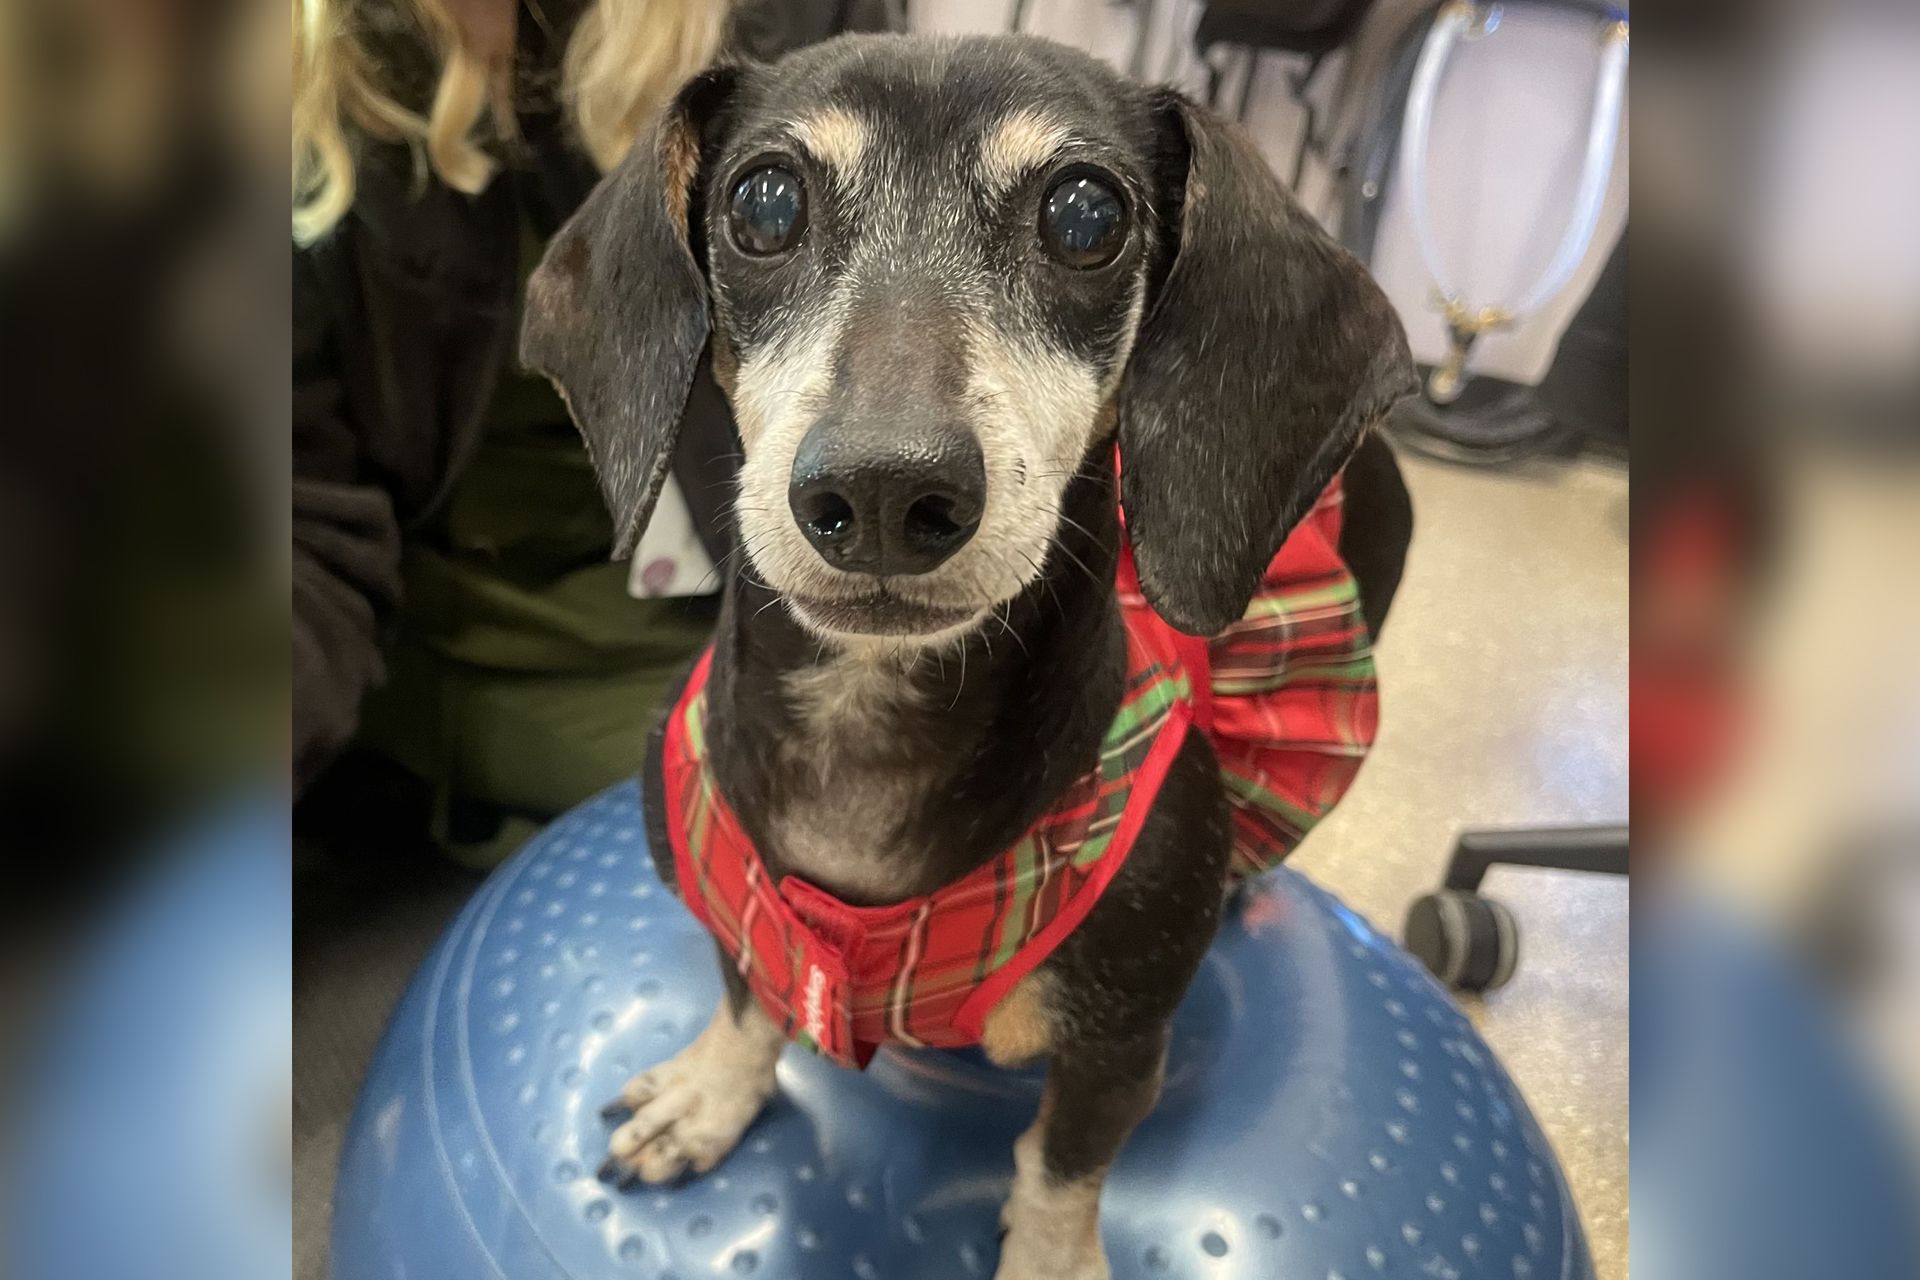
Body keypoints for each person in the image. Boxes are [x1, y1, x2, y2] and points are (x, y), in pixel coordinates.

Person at [292, 0, 895, 865]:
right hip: (487, 639)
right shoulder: (273, 77)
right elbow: (296, 521)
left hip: (770, 599)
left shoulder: (777, 25)